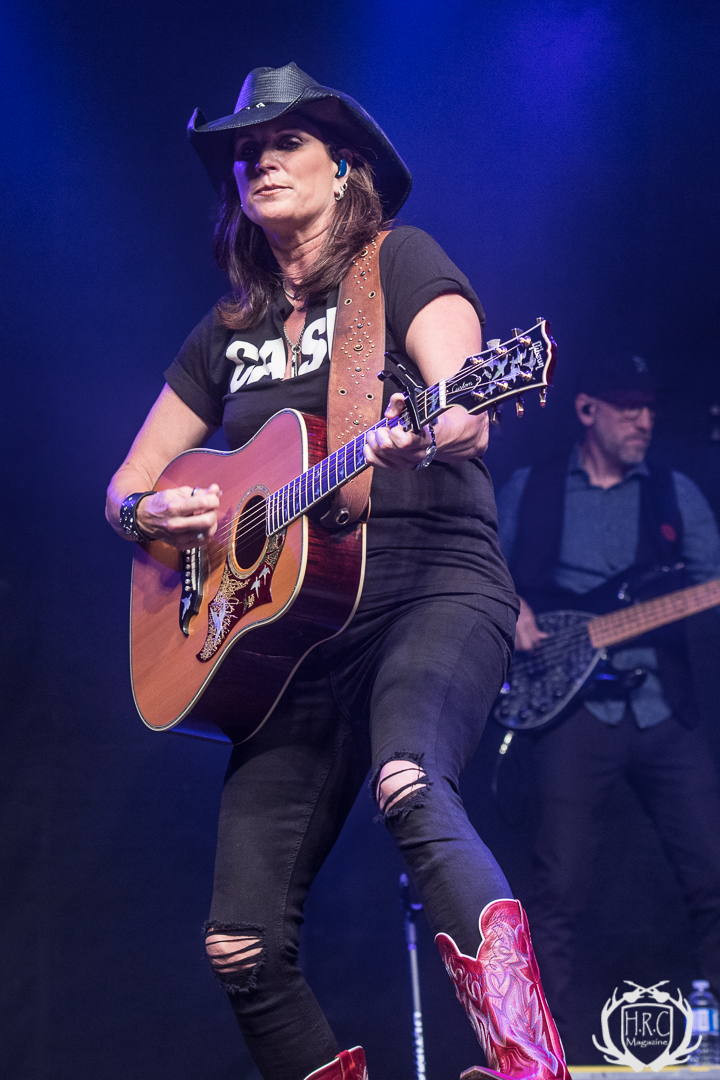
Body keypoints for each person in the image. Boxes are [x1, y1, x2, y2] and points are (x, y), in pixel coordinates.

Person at [106, 62, 569, 1080]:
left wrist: (429, 426)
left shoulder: (400, 262)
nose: (260, 161)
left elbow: (466, 407)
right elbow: (125, 487)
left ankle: (531, 1065)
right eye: (245, 152)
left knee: (411, 783)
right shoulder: (224, 332)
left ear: (344, 167)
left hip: (428, 582)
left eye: (286, 142)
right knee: (238, 944)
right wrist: (151, 513)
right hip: (290, 638)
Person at [496, 353, 720, 1057]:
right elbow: (482, 570)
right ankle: (546, 1059)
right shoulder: (530, 486)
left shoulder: (675, 492)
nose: (644, 420)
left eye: (650, 407)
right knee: (556, 890)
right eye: (628, 407)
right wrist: (511, 605)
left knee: (714, 873)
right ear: (587, 410)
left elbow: (709, 582)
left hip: (661, 706)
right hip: (570, 709)